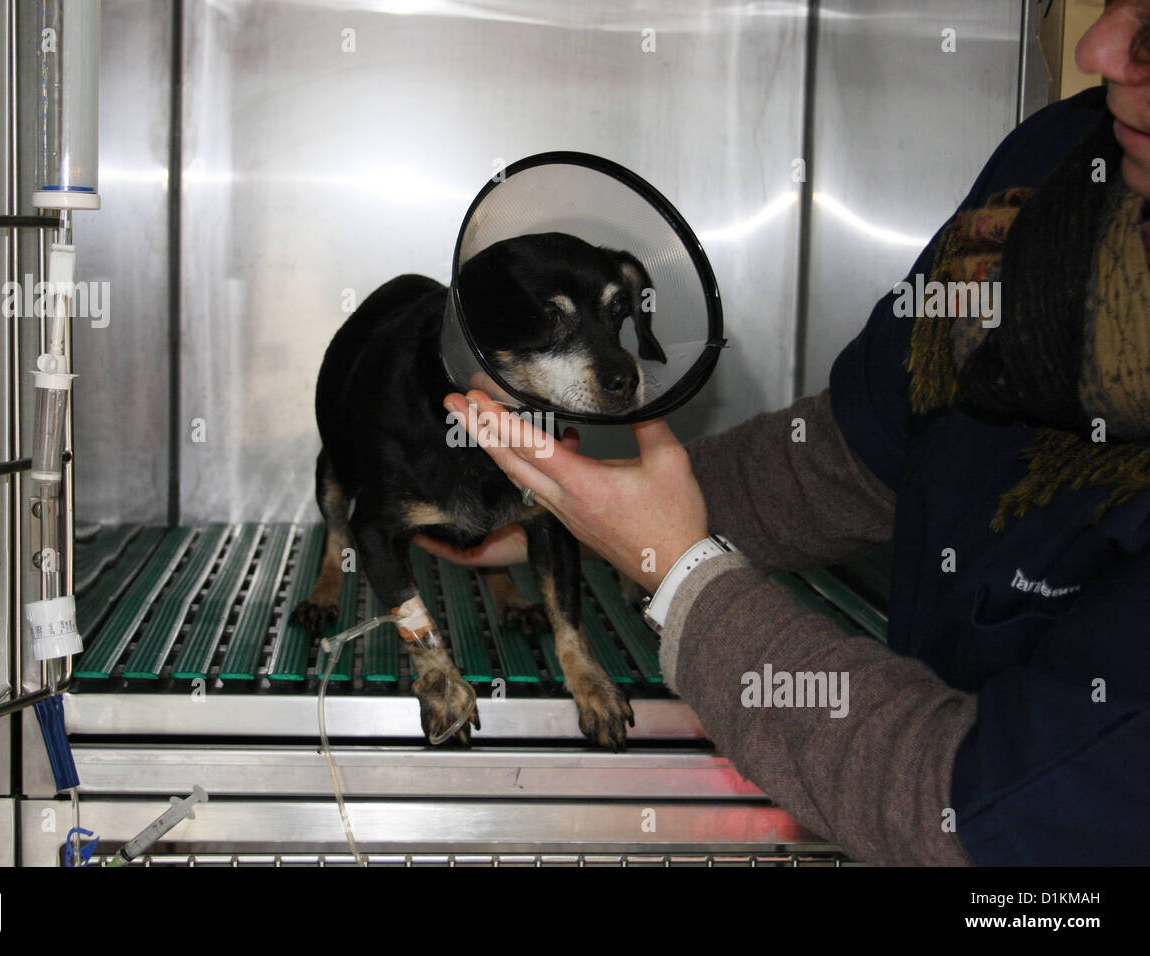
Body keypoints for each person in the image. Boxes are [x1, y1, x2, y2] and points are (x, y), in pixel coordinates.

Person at [416, 2, 1150, 865]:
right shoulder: (1069, 160)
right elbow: (852, 453)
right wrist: (563, 516)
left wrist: (685, 576)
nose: (1100, 49)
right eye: (1115, 3)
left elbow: (974, 805)